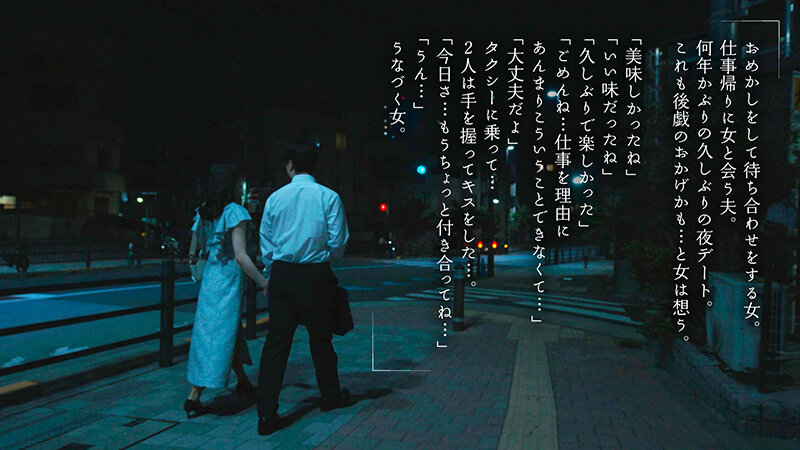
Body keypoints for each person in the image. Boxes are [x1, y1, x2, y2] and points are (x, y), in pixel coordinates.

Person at [256, 143, 352, 435]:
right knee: (321, 339)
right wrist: (323, 257)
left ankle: (266, 415)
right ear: (315, 165)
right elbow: (338, 243)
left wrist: (272, 271)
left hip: (283, 274)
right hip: (315, 274)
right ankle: (330, 396)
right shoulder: (328, 196)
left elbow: (266, 243)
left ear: (290, 165)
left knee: (276, 343)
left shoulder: (275, 198)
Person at [184, 164, 270, 418]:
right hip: (227, 282)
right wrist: (263, 282)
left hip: (210, 278)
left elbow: (194, 248)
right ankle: (194, 394)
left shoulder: (204, 210)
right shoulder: (235, 212)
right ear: (231, 184)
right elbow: (241, 256)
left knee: (222, 330)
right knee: (218, 335)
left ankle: (243, 381)